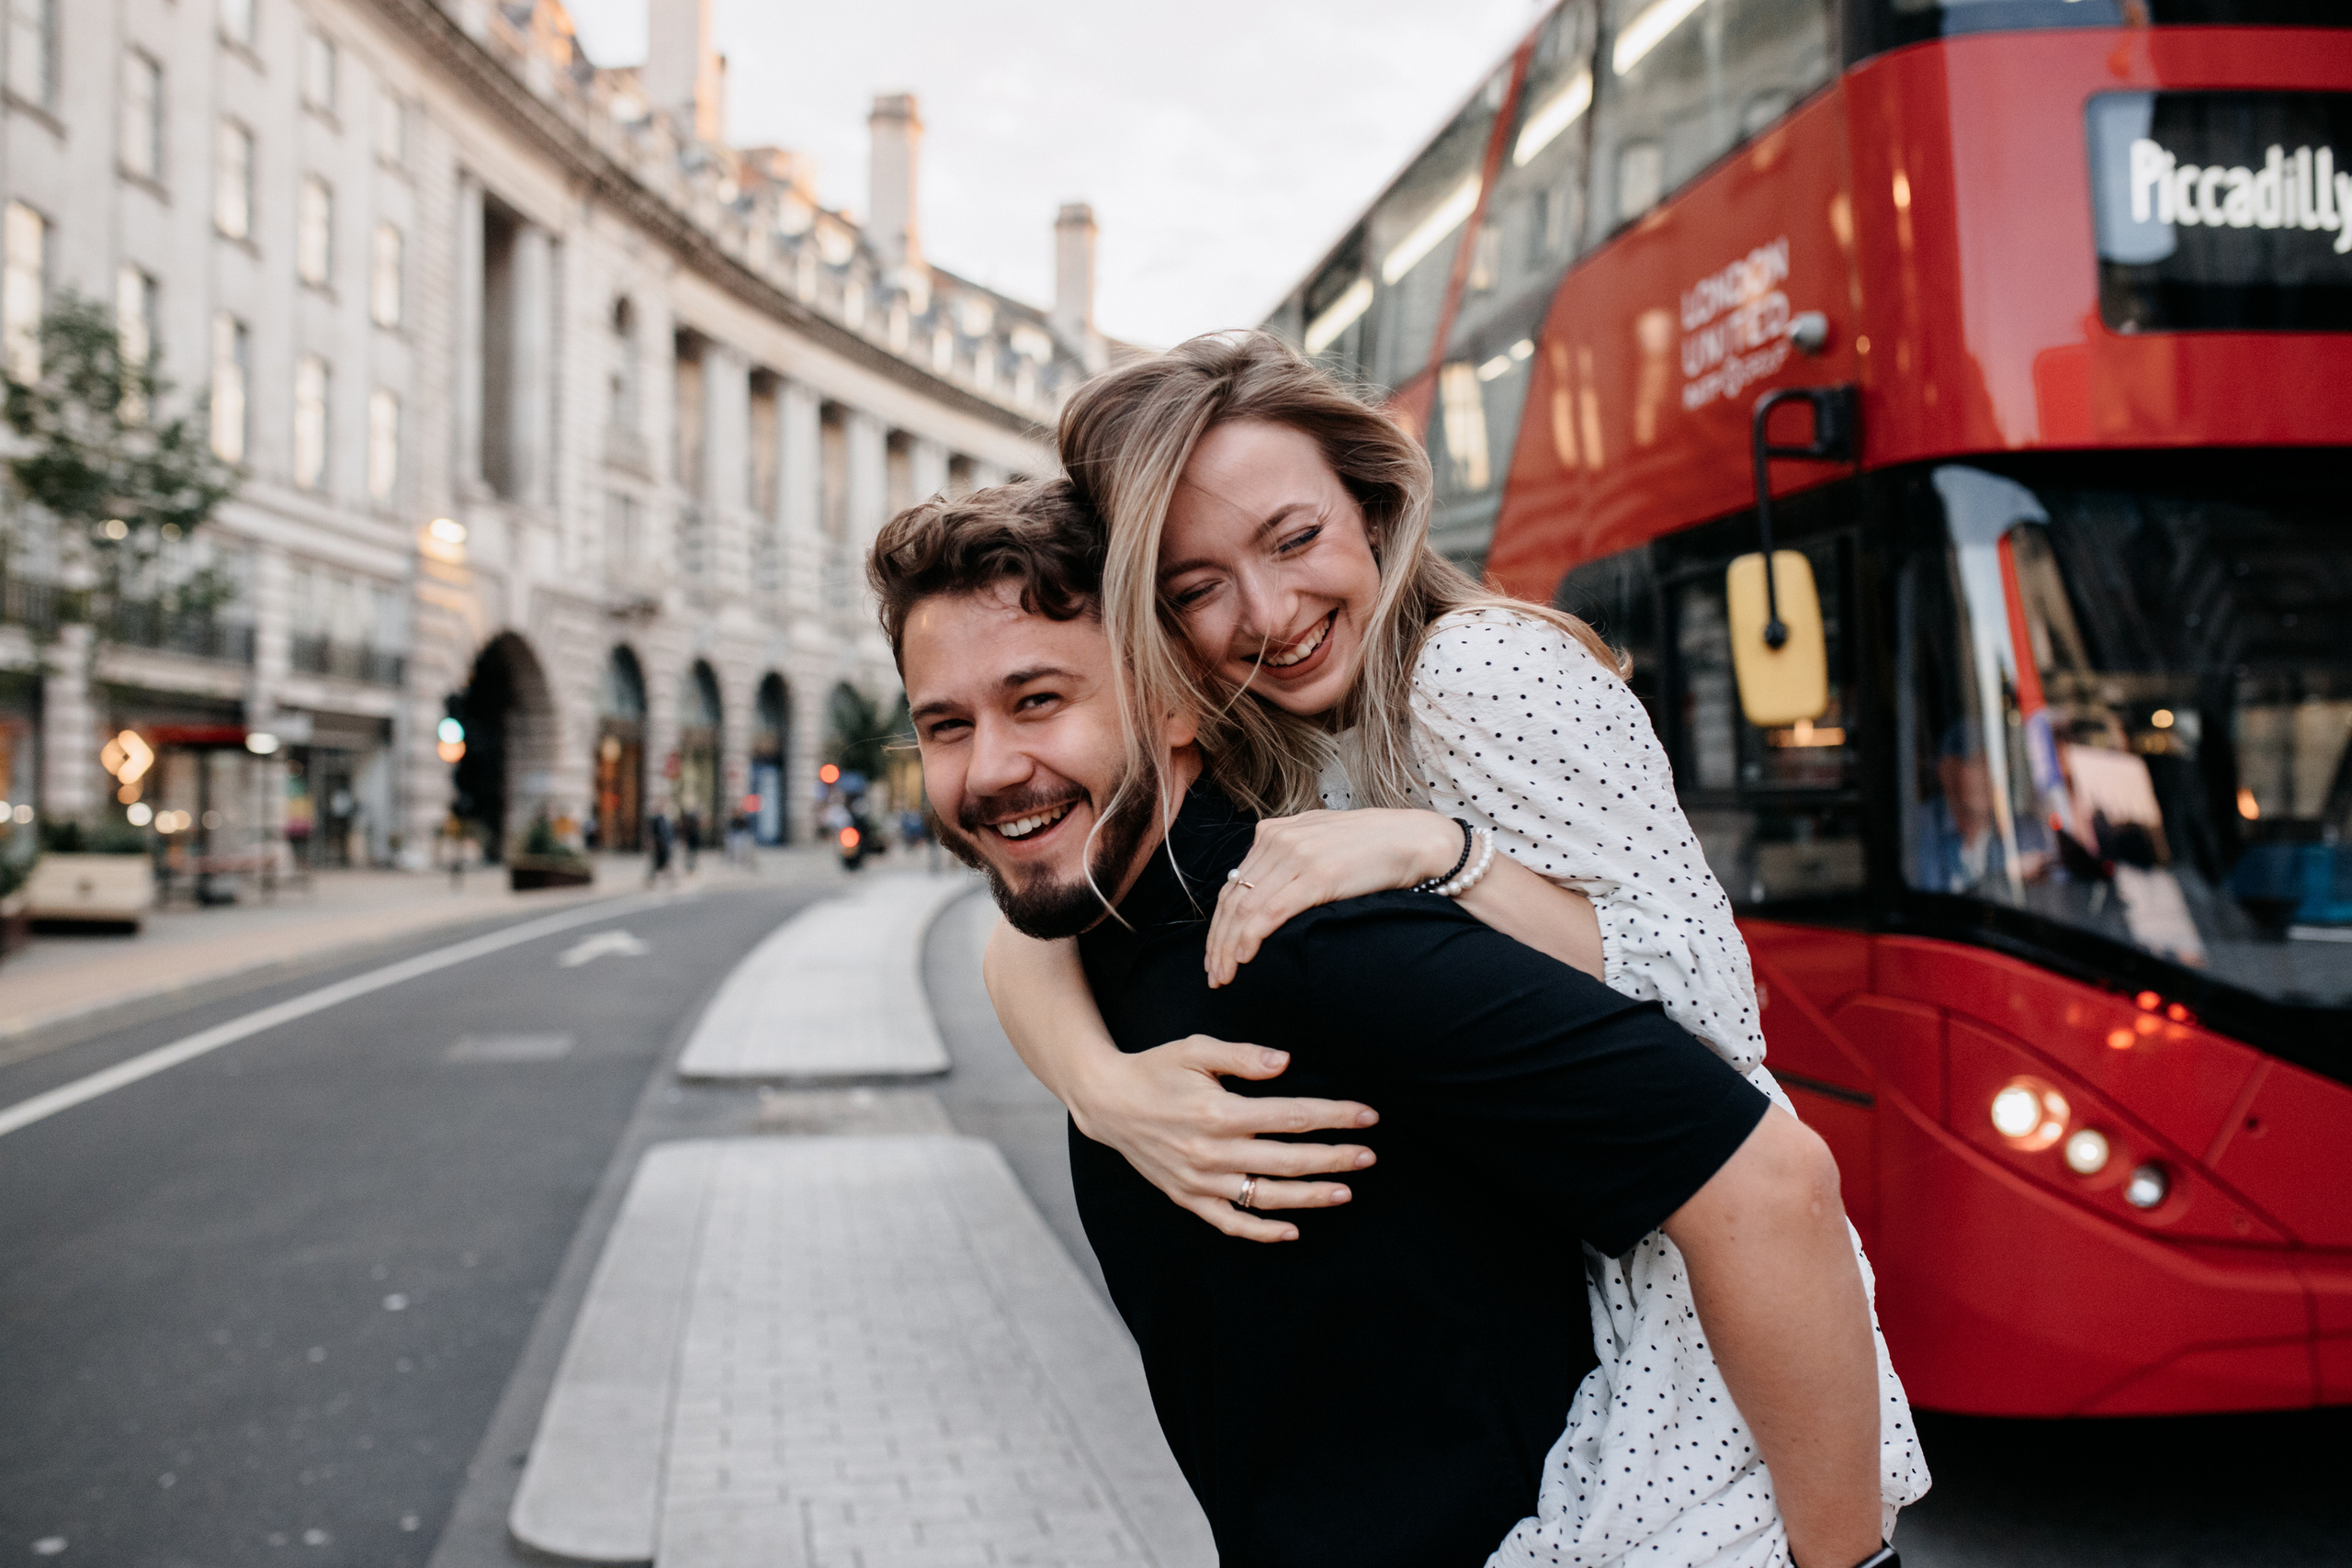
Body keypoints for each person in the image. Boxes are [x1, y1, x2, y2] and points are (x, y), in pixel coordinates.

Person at [984, 333, 1928, 1564]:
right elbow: (1027, 929)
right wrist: (1106, 1092)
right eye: (1195, 587)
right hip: (1555, 1332)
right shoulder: (1269, 733)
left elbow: (1707, 1002)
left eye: (1291, 540)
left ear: (1372, 509)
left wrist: (1437, 849)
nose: (1267, 616)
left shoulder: (1476, 672)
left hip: (1693, 1349)